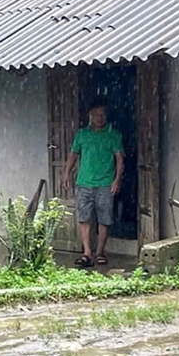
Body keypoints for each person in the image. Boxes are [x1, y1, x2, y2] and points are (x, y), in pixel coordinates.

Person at [61, 103, 124, 267]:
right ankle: (87, 253)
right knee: (84, 218)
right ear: (90, 115)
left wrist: (117, 179)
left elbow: (119, 160)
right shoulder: (82, 134)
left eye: (102, 114)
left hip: (105, 183)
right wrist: (66, 173)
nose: (99, 118)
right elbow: (73, 155)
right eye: (96, 114)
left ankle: (100, 252)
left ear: (107, 115)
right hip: (84, 182)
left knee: (105, 218)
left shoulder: (113, 135)